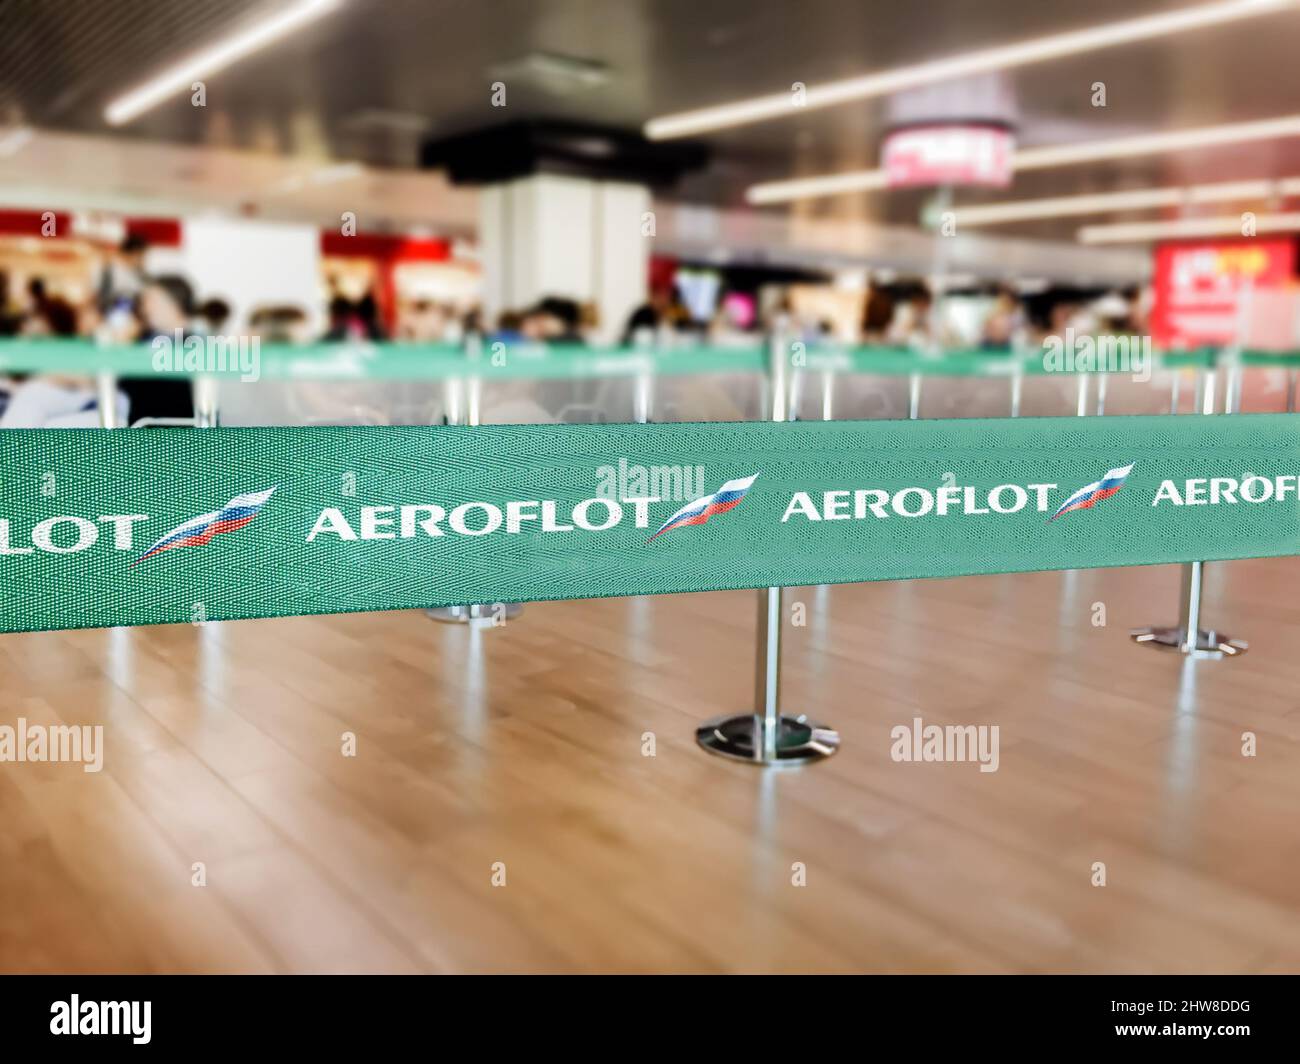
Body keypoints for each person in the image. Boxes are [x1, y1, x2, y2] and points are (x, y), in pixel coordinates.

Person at [124, 274, 197, 423]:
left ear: (175, 303)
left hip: (170, 431)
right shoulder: (143, 338)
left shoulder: (193, 345)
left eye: (153, 301)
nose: (145, 308)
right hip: (138, 426)